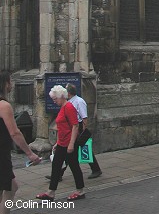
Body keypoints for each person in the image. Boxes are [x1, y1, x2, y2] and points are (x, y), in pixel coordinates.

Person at [0, 71, 41, 214]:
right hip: (1, 156)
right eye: (9, 81)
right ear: (5, 84)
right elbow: (15, 132)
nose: (11, 84)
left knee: (6, 188)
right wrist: (30, 154)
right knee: (11, 189)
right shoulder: (4, 105)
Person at [36, 85, 85, 201]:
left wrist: (71, 144)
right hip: (62, 143)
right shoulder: (63, 107)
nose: (54, 101)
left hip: (69, 143)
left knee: (74, 167)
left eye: (55, 99)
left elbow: (75, 126)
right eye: (53, 99)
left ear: (62, 96)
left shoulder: (68, 107)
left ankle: (80, 191)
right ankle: (50, 192)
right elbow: (62, 128)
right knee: (56, 166)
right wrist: (58, 142)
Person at [46, 84, 102, 181]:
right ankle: (58, 174)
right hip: (72, 128)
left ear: (68, 93)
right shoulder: (68, 103)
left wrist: (82, 131)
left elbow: (84, 118)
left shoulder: (79, 102)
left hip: (78, 127)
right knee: (71, 153)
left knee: (81, 150)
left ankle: (95, 169)